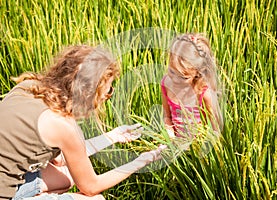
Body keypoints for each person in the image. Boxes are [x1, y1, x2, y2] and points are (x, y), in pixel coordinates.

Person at [0, 45, 166, 200]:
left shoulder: (29, 86)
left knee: (66, 178)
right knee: (96, 199)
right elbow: (91, 187)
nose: (107, 96)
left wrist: (113, 136)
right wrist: (141, 161)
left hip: (7, 177)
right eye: (108, 91)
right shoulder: (62, 124)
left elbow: (60, 161)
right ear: (90, 93)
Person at [161, 33, 223, 138]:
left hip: (198, 145)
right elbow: (167, 116)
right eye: (171, 72)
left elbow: (215, 128)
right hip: (176, 145)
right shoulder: (166, 84)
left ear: (197, 73)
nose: (175, 80)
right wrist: (170, 139)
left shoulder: (203, 93)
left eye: (183, 78)